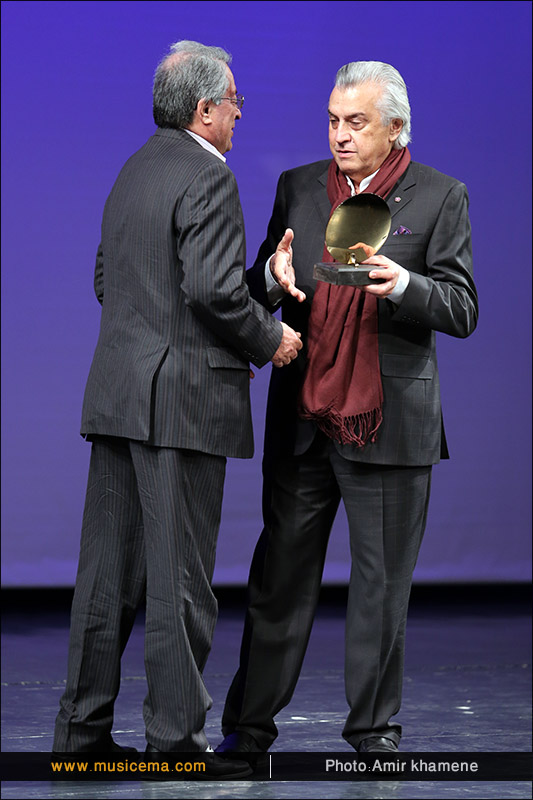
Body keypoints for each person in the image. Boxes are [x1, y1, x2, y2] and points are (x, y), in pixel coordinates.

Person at [216, 61, 478, 754]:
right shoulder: (297, 187)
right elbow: (255, 289)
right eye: (333, 120)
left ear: (395, 128)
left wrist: (404, 285)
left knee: (380, 591)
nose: (339, 135)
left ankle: (372, 732)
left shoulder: (440, 196)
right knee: (277, 582)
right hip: (304, 418)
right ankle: (248, 731)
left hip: (388, 424)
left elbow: (461, 308)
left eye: (356, 122)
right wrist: (272, 281)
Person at [53, 40, 302, 769]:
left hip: (118, 398)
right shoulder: (209, 175)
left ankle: (81, 740)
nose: (239, 114)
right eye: (234, 102)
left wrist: (264, 281)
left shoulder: (134, 170)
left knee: (105, 582)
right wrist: (273, 338)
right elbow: (211, 293)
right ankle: (175, 746)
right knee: (178, 584)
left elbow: (113, 282)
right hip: (182, 408)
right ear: (204, 109)